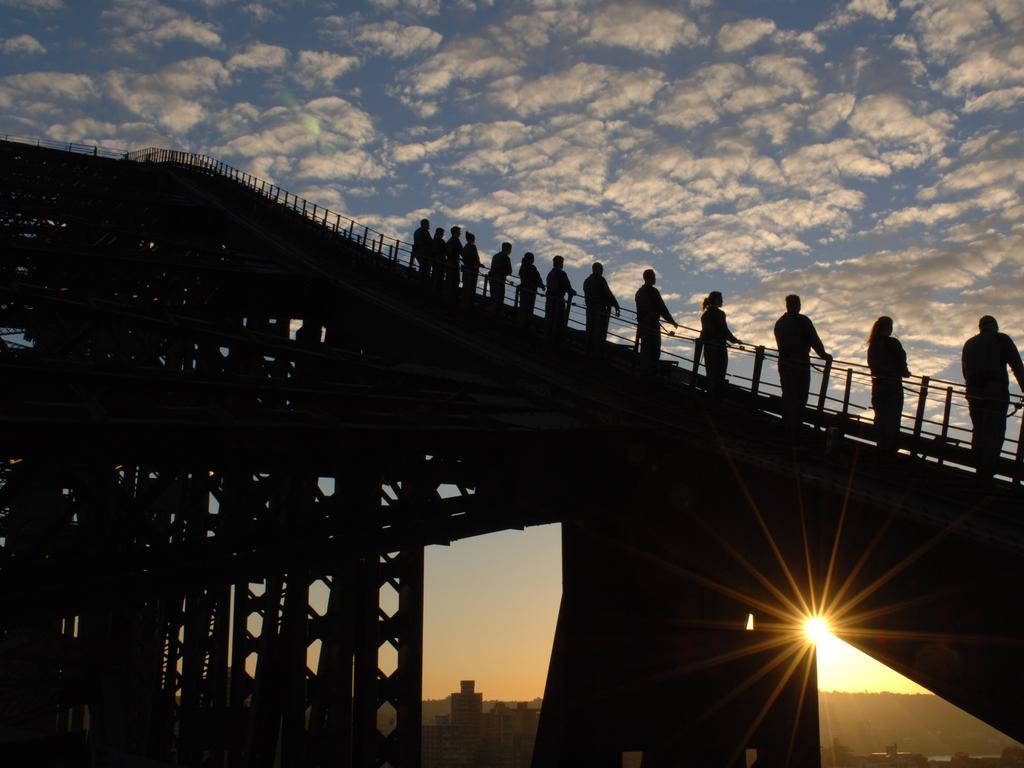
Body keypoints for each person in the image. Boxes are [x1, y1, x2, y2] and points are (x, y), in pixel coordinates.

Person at [961, 315, 1024, 480]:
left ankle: (978, 465)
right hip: (995, 392)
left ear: (980, 327)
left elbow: (965, 372)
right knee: (994, 431)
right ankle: (987, 471)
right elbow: (1017, 365)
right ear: (994, 326)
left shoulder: (969, 344)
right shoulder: (1002, 339)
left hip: (973, 392)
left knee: (979, 429)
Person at [773, 294, 831, 432]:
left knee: (788, 393)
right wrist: (824, 355)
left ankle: (787, 423)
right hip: (800, 362)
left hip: (784, 362)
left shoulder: (780, 323)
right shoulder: (802, 320)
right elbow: (814, 339)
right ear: (798, 305)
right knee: (800, 394)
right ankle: (795, 425)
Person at [867, 316, 910, 455]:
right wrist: (905, 372)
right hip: (892, 386)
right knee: (893, 417)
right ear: (889, 328)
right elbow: (901, 361)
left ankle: (881, 446)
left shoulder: (872, 346)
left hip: (878, 386)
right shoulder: (893, 343)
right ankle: (889, 450)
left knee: (880, 417)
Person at [699, 291, 741, 405]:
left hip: (708, 348)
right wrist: (735, 340)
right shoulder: (719, 314)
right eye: (721, 299)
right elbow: (724, 330)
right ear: (717, 300)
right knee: (719, 374)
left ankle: (710, 398)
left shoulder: (705, 315)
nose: (722, 301)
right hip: (719, 348)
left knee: (711, 374)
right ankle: (716, 401)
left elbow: (705, 332)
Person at [634, 269, 677, 373]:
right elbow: (662, 308)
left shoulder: (639, 293)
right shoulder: (653, 292)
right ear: (651, 278)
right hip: (652, 324)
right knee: (654, 350)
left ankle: (644, 371)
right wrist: (672, 321)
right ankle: (651, 373)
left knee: (645, 349)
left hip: (642, 325)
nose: (655, 279)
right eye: (654, 277)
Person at [582, 262, 620, 356]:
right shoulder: (600, 280)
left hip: (589, 310)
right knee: (598, 332)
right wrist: (616, 305)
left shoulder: (587, 281)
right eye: (601, 269)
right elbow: (608, 294)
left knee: (589, 331)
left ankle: (587, 353)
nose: (603, 271)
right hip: (599, 310)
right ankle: (596, 354)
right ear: (597, 269)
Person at [544, 255, 576, 343]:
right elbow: (567, 286)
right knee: (558, 321)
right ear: (560, 263)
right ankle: (555, 341)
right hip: (558, 301)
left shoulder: (550, 274)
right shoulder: (561, 273)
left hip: (549, 300)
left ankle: (547, 340)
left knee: (549, 320)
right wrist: (572, 291)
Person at [517, 252, 545, 328]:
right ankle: (525, 326)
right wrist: (542, 286)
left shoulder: (522, 267)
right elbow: (537, 278)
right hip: (530, 291)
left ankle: (521, 324)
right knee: (529, 309)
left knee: (523, 308)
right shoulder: (532, 267)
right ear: (531, 259)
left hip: (523, 290)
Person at [489, 242, 513, 314]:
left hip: (492, 278)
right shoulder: (506, 258)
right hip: (500, 280)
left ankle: (492, 312)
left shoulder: (495, 256)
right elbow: (509, 271)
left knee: (493, 296)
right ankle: (496, 314)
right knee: (499, 298)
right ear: (508, 249)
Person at [461, 231, 481, 300]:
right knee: (471, 287)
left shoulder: (465, 247)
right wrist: (479, 264)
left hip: (466, 270)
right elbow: (475, 259)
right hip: (472, 270)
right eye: (474, 239)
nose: (474, 240)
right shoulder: (473, 247)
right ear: (471, 239)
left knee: (465, 286)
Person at [444, 225, 463, 294]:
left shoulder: (449, 241)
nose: (460, 233)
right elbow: (462, 252)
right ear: (456, 232)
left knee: (449, 281)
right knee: (455, 282)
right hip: (454, 264)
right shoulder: (456, 240)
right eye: (459, 232)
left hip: (449, 263)